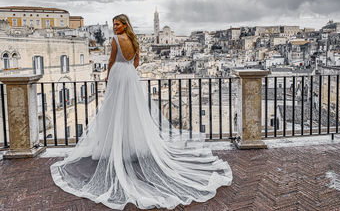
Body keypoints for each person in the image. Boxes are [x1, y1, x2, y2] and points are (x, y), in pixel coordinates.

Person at [50, 14, 232, 210]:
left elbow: (111, 61)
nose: (115, 27)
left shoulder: (115, 40)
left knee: (115, 111)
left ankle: (117, 148)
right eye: (114, 25)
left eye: (117, 24)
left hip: (119, 75)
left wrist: (108, 76)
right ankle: (130, 146)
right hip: (130, 76)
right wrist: (126, 68)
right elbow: (136, 63)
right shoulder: (135, 41)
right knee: (132, 111)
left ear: (124, 25)